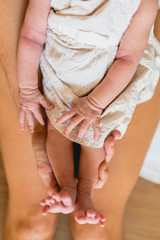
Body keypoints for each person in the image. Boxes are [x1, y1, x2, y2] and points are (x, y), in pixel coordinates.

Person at [0, 0, 160, 239]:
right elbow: (31, 35)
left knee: (96, 231)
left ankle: (84, 194)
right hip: (59, 69)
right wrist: (27, 92)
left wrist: (96, 104)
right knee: (31, 227)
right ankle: (67, 188)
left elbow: (129, 57)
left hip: (110, 82)